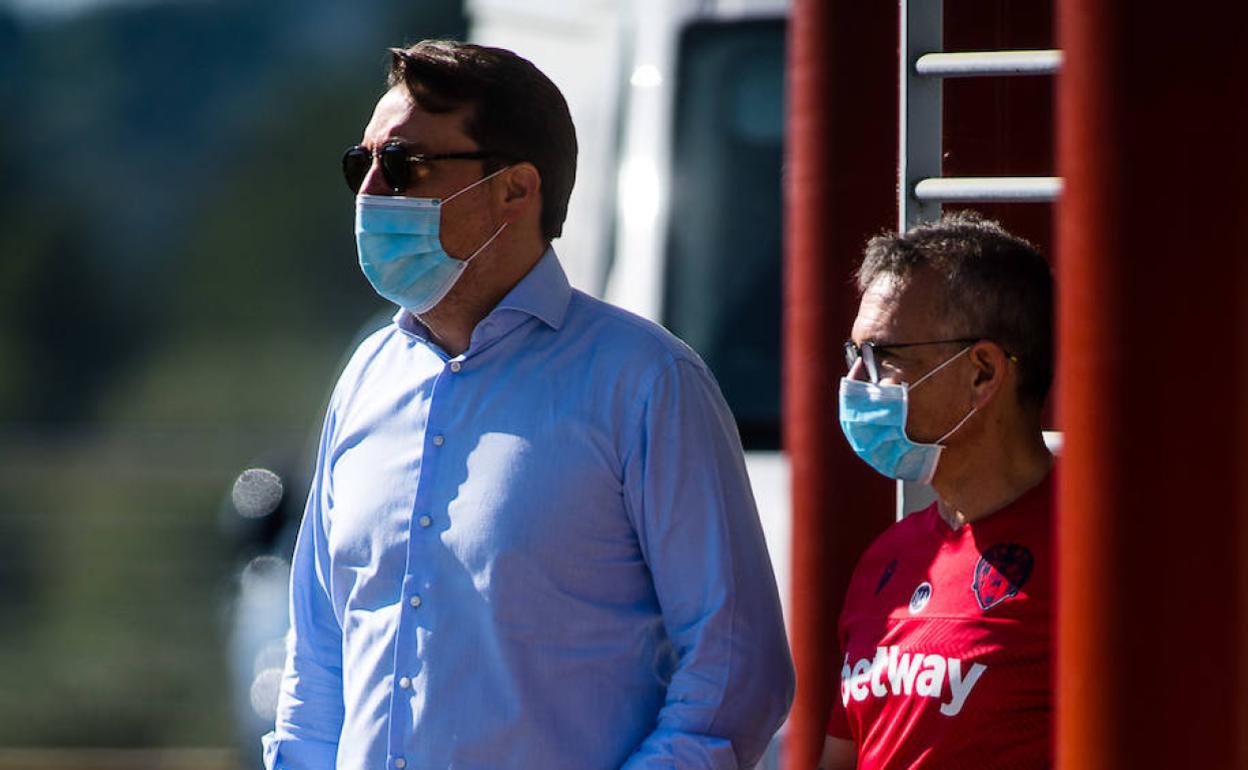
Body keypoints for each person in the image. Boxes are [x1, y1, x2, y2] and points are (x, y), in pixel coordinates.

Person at [262, 40, 794, 770]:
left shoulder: (646, 381)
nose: (371, 192)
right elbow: (318, 659)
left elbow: (738, 670)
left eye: (405, 165)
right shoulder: (366, 377)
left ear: (516, 190)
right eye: (362, 165)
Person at [819, 213, 1055, 769]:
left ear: (982, 373)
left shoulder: (1091, 557)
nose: (855, 384)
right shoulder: (890, 555)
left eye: (883, 357)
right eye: (854, 356)